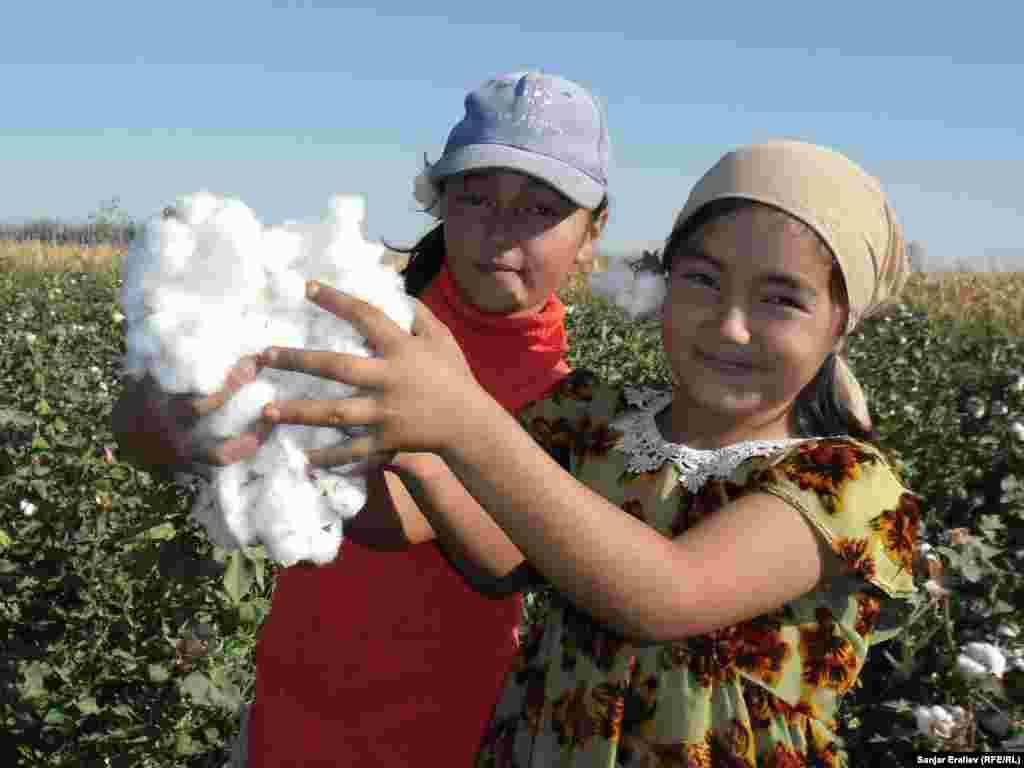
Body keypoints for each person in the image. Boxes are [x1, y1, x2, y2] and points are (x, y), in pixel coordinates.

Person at [255, 139, 920, 766]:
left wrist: (463, 419)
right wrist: (372, 443)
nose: (729, 325)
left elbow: (665, 595)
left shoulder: (844, 485)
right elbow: (503, 556)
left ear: (841, 322)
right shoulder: (595, 418)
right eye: (703, 280)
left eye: (781, 299)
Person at [111, 70, 611, 766]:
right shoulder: (351, 313)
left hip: (453, 741)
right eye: (475, 197)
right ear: (440, 201)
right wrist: (176, 424)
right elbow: (136, 430)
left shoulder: (577, 404)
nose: (500, 229)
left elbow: (474, 549)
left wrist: (299, 436)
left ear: (592, 232)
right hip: (289, 724)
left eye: (540, 208)